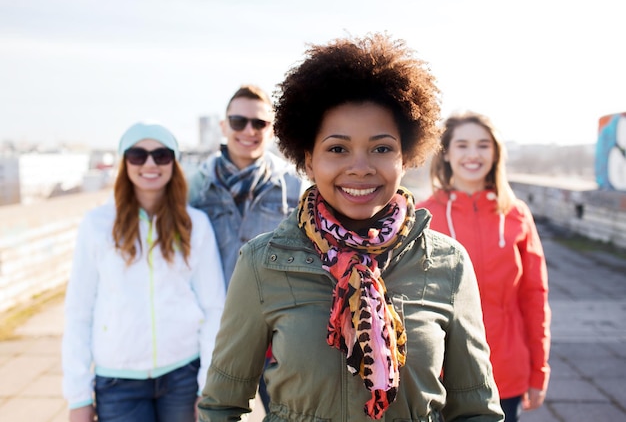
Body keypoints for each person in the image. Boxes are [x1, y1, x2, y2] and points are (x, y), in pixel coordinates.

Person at [198, 34, 504, 421]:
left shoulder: (448, 263)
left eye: (381, 148)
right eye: (337, 149)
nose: (360, 167)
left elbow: (477, 410)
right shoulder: (263, 263)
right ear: (308, 160)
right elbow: (221, 406)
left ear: (405, 157)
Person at [62, 121, 226, 422]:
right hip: (117, 382)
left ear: (173, 164)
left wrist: (209, 386)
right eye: (138, 155)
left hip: (183, 374)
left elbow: (214, 306)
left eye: (161, 155)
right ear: (124, 163)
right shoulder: (97, 225)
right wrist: (78, 396)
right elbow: (78, 311)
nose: (150, 163)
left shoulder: (195, 224)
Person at [416, 111, 551, 421]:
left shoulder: (517, 214)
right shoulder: (423, 216)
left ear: (495, 153)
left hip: (506, 372)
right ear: (446, 153)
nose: (473, 155)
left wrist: (538, 370)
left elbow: (535, 297)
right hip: (439, 375)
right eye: (462, 145)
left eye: (483, 145)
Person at [188, 84, 304, 413]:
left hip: (277, 338)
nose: (249, 131)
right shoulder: (195, 187)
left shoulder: (294, 187)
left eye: (259, 123)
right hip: (215, 336)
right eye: (238, 122)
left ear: (272, 130)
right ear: (224, 127)